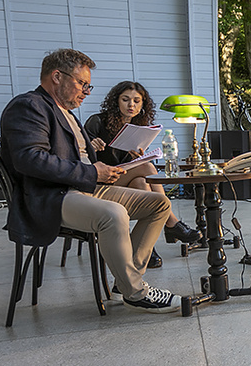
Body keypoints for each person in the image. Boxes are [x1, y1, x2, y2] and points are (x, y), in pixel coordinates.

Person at [0, 48, 180, 312]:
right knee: (114, 214)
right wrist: (94, 172)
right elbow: (30, 159)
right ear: (57, 76)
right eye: (82, 83)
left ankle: (126, 281)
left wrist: (107, 167)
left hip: (86, 187)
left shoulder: (67, 112)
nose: (86, 91)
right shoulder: (29, 106)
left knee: (159, 204)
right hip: (53, 196)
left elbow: (81, 156)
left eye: (88, 85)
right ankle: (136, 292)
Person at [84, 81, 201, 269]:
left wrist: (136, 156)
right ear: (116, 101)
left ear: (143, 105)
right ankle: (171, 223)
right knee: (147, 168)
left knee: (141, 184)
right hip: (101, 182)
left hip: (124, 181)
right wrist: (92, 145)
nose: (131, 105)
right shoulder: (97, 121)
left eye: (137, 101)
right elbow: (78, 153)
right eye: (126, 100)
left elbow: (128, 164)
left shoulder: (138, 126)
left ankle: (147, 247)